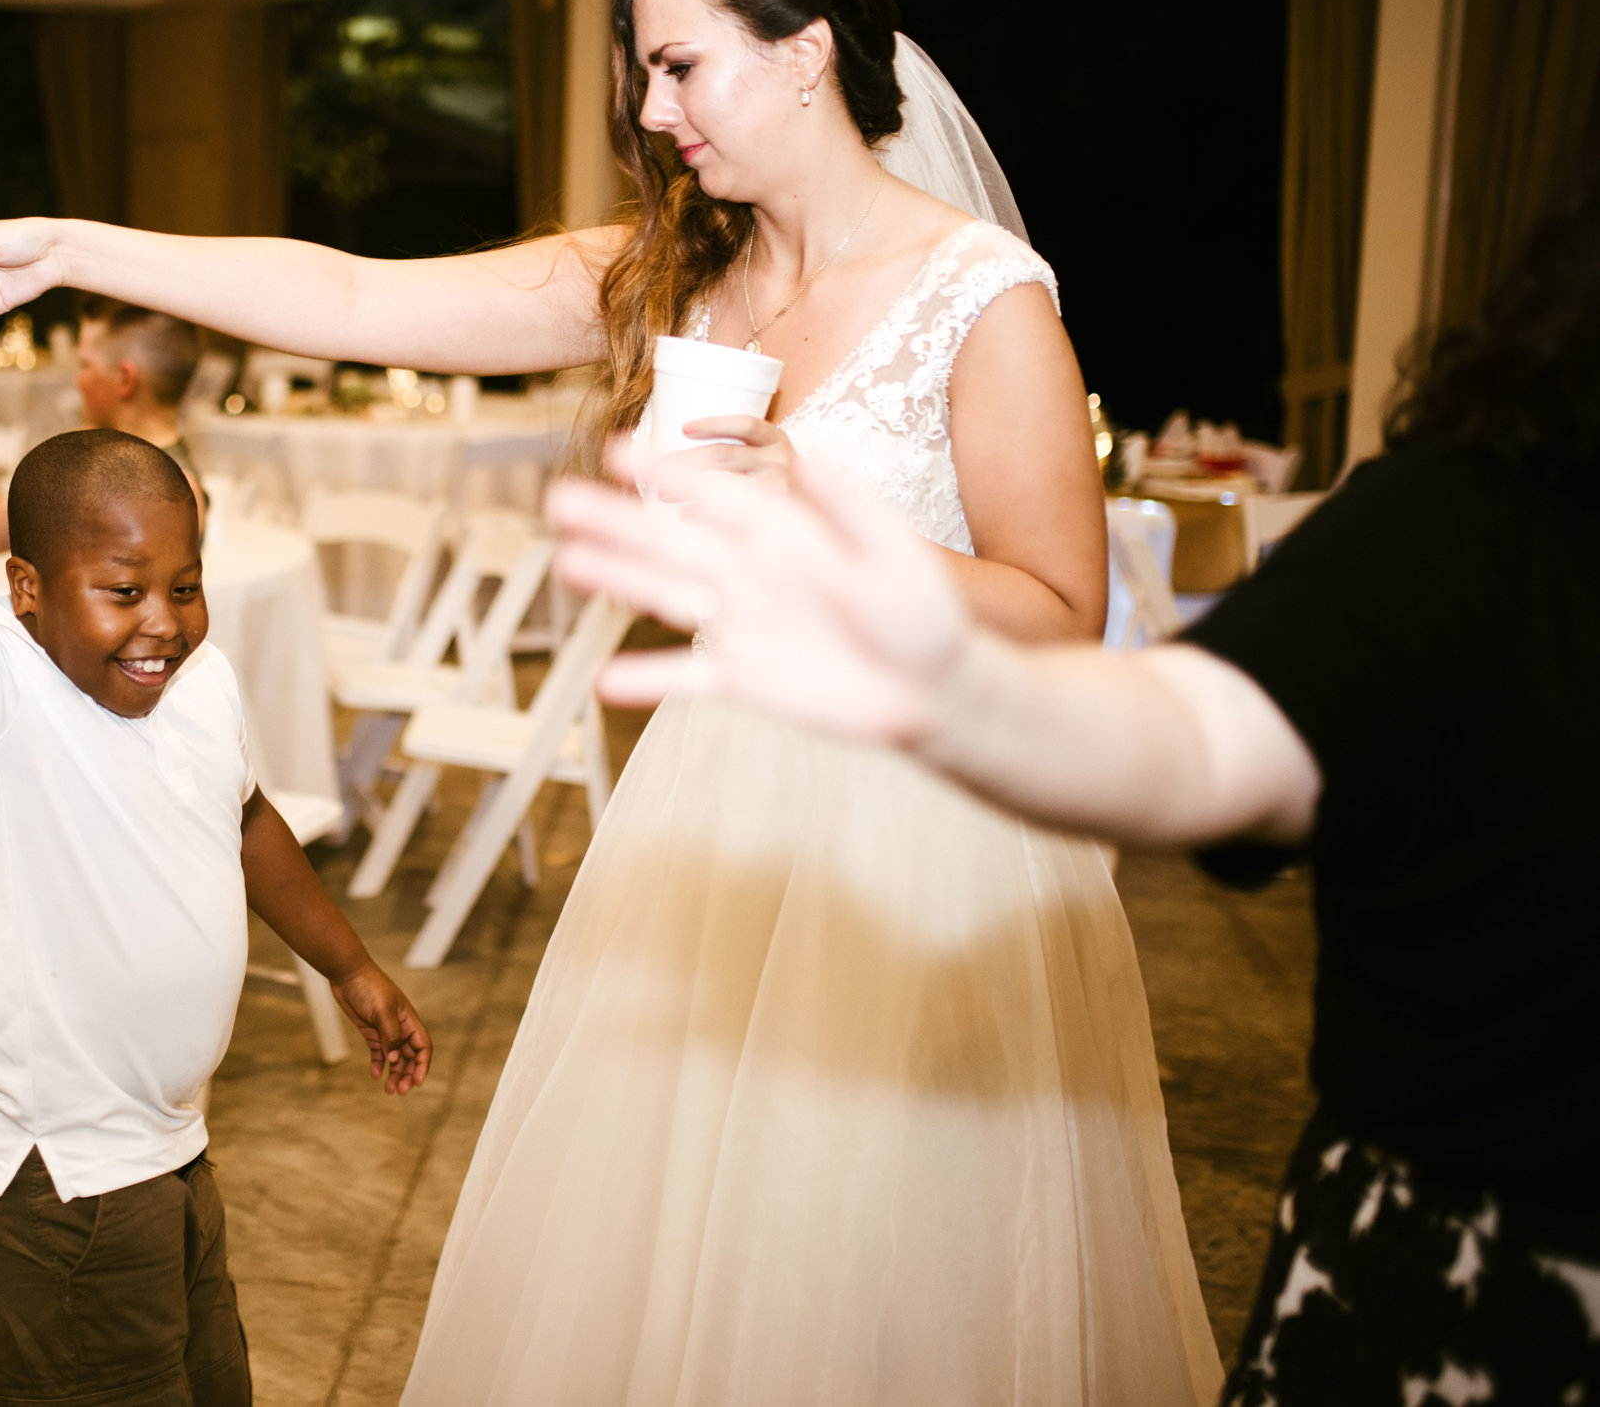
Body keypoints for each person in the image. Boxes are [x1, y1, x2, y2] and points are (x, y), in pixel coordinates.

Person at [0, 0, 1221, 1404]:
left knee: (871, 1258)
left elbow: (1061, 609)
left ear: (808, 50)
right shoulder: (678, 273)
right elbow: (359, 297)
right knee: (680, 1255)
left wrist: (825, 515)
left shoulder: (981, 302)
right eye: (643, 69)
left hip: (921, 836)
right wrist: (87, 246)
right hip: (718, 797)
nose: (652, 106)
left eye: (680, 65)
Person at [543, 188, 1600, 1406]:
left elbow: (1066, 599)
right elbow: (1200, 735)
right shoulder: (1472, 527)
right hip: (1472, 1276)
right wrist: (952, 694)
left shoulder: (985, 289)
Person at [0, 244, 432, 1407]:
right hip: (40, 1174)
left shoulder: (194, 679)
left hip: (157, 1145)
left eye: (185, 581)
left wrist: (348, 963)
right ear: (25, 588)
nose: (161, 621)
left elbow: (246, 817)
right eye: (122, 589)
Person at [0, 294, 205, 554]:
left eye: (85, 364)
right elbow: (1, 532)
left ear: (125, 379)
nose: (77, 379)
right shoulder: (87, 450)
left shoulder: (174, 490)